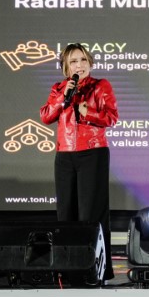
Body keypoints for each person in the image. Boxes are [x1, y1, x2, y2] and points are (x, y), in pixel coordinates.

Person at [40, 43, 119, 281]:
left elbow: (112, 118)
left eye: (83, 60)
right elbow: (46, 116)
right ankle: (68, 268)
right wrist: (63, 98)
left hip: (92, 153)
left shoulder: (100, 85)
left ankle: (97, 269)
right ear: (66, 66)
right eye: (74, 61)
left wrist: (87, 112)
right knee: (66, 214)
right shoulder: (59, 88)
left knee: (91, 214)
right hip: (65, 155)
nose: (80, 65)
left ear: (90, 63)